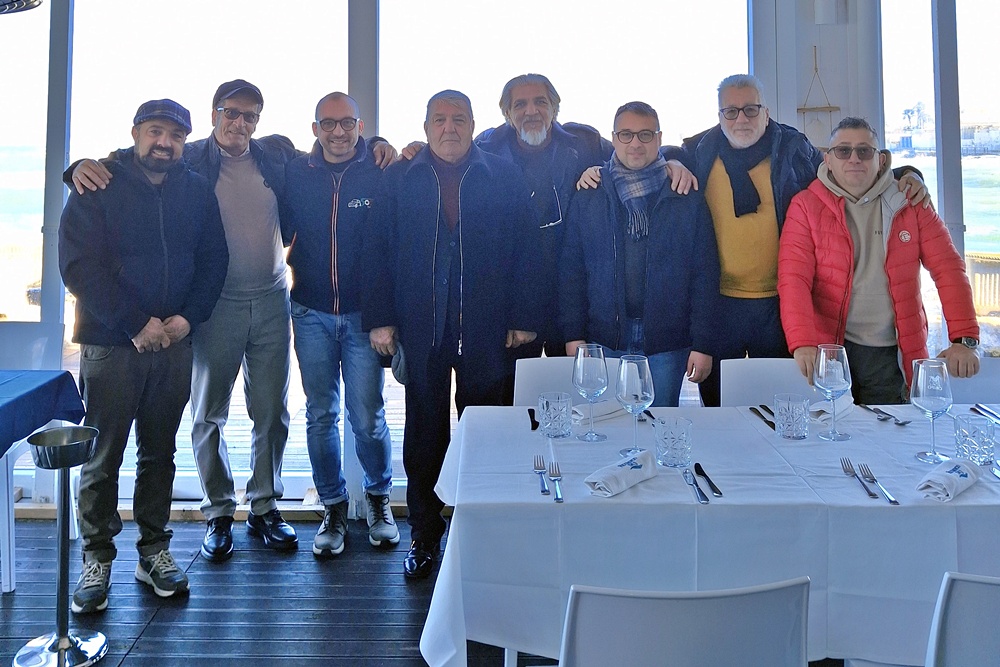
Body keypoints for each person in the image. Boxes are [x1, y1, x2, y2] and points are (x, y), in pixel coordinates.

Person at [68, 80, 398, 563]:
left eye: (250, 115)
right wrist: (79, 166)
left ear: (258, 121)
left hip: (272, 301)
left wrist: (381, 144)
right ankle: (219, 511)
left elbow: (339, 150)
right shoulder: (189, 157)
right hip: (214, 305)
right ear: (214, 115)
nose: (240, 123)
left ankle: (265, 506)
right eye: (231, 112)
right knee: (209, 414)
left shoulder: (275, 157)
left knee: (272, 412)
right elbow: (138, 157)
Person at [578, 74, 928, 406]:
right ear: (719, 116)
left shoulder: (794, 150)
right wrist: (662, 162)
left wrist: (906, 175)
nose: (741, 118)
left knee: (781, 400)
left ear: (766, 112)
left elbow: (845, 172)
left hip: (777, 303)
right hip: (720, 305)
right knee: (718, 404)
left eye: (750, 109)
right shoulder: (699, 152)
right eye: (731, 111)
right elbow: (649, 156)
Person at [404, 74, 695, 401]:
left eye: (540, 102)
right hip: (512, 305)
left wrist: (675, 161)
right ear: (507, 113)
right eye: (520, 104)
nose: (531, 111)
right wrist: (411, 149)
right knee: (510, 400)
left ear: (554, 108)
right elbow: (445, 152)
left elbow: (634, 150)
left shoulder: (585, 144)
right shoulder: (487, 148)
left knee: (577, 399)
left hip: (572, 304)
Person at [58, 99, 229, 613]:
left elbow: (213, 260)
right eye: (155, 132)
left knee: (160, 453)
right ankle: (96, 558)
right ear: (135, 133)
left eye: (175, 136)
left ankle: (153, 551)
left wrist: (187, 319)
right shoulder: (97, 185)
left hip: (174, 343)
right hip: (111, 344)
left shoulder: (196, 190)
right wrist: (134, 323)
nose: (164, 143)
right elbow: (77, 266)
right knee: (102, 455)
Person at [364, 90, 541, 579]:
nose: (449, 128)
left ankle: (479, 530)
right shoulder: (400, 178)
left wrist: (524, 315)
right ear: (425, 128)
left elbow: (528, 249)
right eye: (439, 120)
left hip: (487, 329)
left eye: (459, 119)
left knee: (485, 432)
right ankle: (424, 534)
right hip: (424, 330)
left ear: (473, 125)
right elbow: (376, 251)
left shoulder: (502, 175)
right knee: (424, 438)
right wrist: (381, 319)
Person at [778, 116, 979, 403]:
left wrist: (963, 339)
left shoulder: (911, 202)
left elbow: (948, 269)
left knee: (889, 428)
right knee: (831, 427)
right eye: (843, 150)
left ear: (881, 159)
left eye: (864, 150)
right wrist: (803, 343)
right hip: (829, 351)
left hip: (892, 355)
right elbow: (793, 280)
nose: (854, 158)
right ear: (828, 160)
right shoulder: (805, 206)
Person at [281, 92, 398, 557]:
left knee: (367, 417)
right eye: (328, 123)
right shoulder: (296, 172)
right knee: (320, 415)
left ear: (360, 126)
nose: (338, 132)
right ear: (315, 129)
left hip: (364, 318)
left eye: (347, 123)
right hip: (310, 312)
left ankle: (378, 498)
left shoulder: (380, 170)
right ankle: (332, 506)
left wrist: (386, 316)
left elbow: (391, 246)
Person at [560, 102, 718, 406]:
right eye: (626, 134)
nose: (635, 143)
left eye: (645, 135)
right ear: (613, 138)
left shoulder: (685, 194)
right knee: (605, 424)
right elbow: (572, 272)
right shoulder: (590, 194)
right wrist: (573, 335)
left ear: (659, 138)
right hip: (602, 340)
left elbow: (704, 274)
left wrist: (703, 343)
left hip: (667, 343)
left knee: (657, 424)